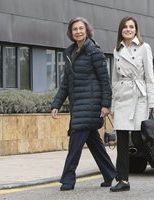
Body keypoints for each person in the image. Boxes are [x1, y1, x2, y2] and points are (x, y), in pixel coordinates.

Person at [51, 17, 117, 191]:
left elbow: (105, 81)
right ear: (71, 33)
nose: (78, 31)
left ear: (87, 31)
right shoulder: (71, 53)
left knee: (75, 143)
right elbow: (66, 83)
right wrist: (56, 104)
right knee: (94, 143)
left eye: (81, 28)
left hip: (90, 105)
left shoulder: (94, 52)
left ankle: (67, 179)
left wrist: (105, 104)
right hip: (77, 105)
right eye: (75, 29)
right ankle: (110, 174)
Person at [110, 16, 154, 192]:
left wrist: (152, 101)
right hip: (122, 97)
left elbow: (150, 77)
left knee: (139, 137)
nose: (128, 29)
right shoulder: (117, 50)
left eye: (131, 27)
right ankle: (123, 180)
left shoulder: (144, 48)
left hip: (139, 97)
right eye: (125, 27)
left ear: (136, 30)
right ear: (121, 30)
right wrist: (113, 105)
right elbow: (114, 79)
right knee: (121, 140)